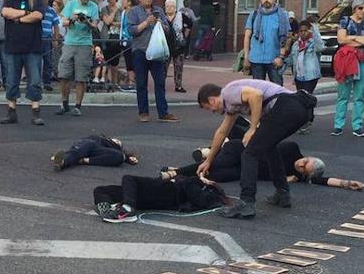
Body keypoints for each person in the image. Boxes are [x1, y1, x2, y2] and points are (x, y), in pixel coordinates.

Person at [197, 80, 316, 218]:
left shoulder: (228, 93)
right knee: (268, 147)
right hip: (299, 110)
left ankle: (246, 203)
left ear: (211, 100)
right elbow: (222, 132)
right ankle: (282, 193)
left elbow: (256, 95)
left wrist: (253, 128)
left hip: (287, 106)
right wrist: (208, 161)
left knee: (249, 154)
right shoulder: (231, 105)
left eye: (208, 108)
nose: (213, 112)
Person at [164, 140, 364, 191]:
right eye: (306, 162)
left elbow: (322, 180)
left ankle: (183, 175)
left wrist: (347, 183)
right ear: (308, 157)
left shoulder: (299, 174)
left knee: (219, 176)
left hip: (244, 169)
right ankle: (175, 171)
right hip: (241, 152)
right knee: (218, 162)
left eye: (305, 169)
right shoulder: (292, 149)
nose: (302, 165)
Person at [0, 0, 46, 125]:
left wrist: (18, 19)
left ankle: (36, 113)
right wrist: (26, 13)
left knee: (34, 80)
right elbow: (5, 12)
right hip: (13, 47)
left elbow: (38, 15)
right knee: (12, 80)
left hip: (33, 47)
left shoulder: (36, 0)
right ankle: (11, 112)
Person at [127, 0, 178, 123]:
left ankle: (163, 112)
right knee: (141, 83)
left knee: (160, 82)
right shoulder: (133, 11)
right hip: (140, 51)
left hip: (157, 52)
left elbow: (168, 30)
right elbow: (131, 30)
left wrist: (161, 24)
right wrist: (145, 23)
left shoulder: (159, 10)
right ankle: (143, 112)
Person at [95, 175, 228, 223]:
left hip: (166, 191)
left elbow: (199, 199)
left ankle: (128, 208)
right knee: (100, 190)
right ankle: (106, 210)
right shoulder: (194, 183)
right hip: (151, 197)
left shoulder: (195, 182)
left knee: (128, 178)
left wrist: (200, 180)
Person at [56, 0, 99, 116]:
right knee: (64, 75)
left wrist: (86, 21)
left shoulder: (94, 7)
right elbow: (63, 22)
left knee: (81, 77)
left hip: (85, 44)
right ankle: (64, 103)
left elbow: (95, 26)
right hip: (70, 42)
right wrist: (73, 19)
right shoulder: (71, 4)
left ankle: (78, 106)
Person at [243, 0, 290, 86]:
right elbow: (247, 36)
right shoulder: (254, 14)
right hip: (256, 59)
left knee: (277, 90)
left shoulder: (282, 15)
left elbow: (285, 37)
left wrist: (281, 57)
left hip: (274, 59)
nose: (266, 0)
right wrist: (246, 57)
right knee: (258, 91)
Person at [332, 0, 364, 137]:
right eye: (360, 8)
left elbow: (345, 39)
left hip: (362, 61)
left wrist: (350, 38)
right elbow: (340, 39)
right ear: (354, 8)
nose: (362, 11)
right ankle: (338, 125)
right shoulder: (345, 20)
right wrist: (359, 39)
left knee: (359, 95)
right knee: (343, 95)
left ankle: (357, 125)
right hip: (346, 60)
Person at [51, 135, 138, 171]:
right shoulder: (98, 138)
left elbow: (122, 155)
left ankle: (81, 160)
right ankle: (63, 162)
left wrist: (127, 157)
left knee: (119, 157)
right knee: (80, 149)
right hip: (89, 144)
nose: (118, 140)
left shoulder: (117, 149)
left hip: (97, 151)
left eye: (119, 142)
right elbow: (83, 143)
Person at [164, 0, 191, 93]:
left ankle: (178, 86)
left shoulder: (182, 16)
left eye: (172, 6)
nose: (169, 8)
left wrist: (184, 36)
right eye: (167, 6)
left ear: (175, 8)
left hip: (179, 46)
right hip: (165, 46)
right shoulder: (163, 17)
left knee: (179, 66)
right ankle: (161, 85)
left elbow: (189, 24)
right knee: (163, 67)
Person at [39, 0, 60, 91]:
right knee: (35, 61)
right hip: (36, 39)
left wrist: (56, 39)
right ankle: (36, 82)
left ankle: (46, 83)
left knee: (48, 61)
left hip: (47, 39)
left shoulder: (52, 11)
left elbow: (56, 25)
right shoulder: (35, 8)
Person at [100, 0, 123, 90]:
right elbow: (107, 21)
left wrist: (114, 22)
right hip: (107, 37)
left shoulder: (121, 10)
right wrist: (113, 12)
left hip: (117, 37)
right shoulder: (104, 9)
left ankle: (114, 82)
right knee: (106, 60)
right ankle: (107, 81)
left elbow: (123, 23)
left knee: (115, 62)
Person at [119, 0, 136, 91]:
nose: (122, 3)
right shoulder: (124, 12)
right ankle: (130, 79)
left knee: (132, 61)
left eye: (124, 1)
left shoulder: (133, 12)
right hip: (124, 39)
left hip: (131, 40)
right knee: (127, 60)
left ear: (129, 2)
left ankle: (132, 81)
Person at [51, 0, 65, 81]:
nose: (53, 7)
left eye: (55, 5)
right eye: (53, 5)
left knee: (60, 56)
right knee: (54, 56)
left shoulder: (63, 17)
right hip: (53, 37)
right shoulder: (52, 16)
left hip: (62, 38)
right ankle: (54, 72)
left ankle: (60, 73)